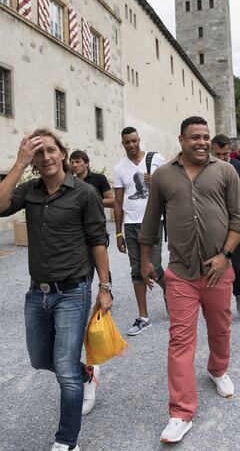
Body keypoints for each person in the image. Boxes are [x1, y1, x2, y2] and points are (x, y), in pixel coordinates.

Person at [0, 129, 112, 451]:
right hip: (38, 293)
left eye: (51, 150)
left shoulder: (84, 193)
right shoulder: (29, 191)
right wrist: (19, 162)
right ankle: (86, 374)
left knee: (63, 369)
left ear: (63, 153)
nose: (46, 156)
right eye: (38, 153)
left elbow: (98, 241)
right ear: (34, 161)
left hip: (73, 292)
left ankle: (66, 441)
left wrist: (104, 288)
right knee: (39, 359)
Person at [140, 116, 240, 443]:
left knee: (220, 327)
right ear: (181, 140)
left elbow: (239, 222)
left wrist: (224, 256)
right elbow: (150, 221)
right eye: (194, 138)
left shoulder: (225, 171)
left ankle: (218, 369)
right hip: (181, 273)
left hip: (218, 270)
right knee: (180, 340)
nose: (201, 142)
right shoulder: (162, 176)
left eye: (205, 137)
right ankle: (180, 412)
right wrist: (145, 260)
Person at [69, 149, 114, 415]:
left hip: (95, 237)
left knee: (97, 271)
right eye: (72, 161)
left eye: (78, 161)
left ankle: (102, 296)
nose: (75, 165)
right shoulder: (68, 184)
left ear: (86, 164)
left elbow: (111, 200)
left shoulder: (96, 180)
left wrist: (93, 197)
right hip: (75, 246)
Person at [113, 127, 165, 336]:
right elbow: (117, 202)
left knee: (155, 266)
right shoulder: (119, 168)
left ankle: (171, 294)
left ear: (139, 140)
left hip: (153, 220)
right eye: (127, 142)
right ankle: (143, 317)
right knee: (136, 270)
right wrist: (118, 233)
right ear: (123, 143)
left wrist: (157, 182)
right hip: (131, 224)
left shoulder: (156, 159)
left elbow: (171, 185)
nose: (132, 144)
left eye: (134, 140)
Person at [211, 134, 240, 316]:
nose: (222, 158)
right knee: (214, 265)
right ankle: (216, 303)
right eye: (218, 154)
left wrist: (236, 204)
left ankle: (239, 294)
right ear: (211, 151)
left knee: (238, 266)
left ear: (230, 151)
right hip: (214, 228)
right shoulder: (204, 168)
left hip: (236, 226)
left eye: (225, 154)